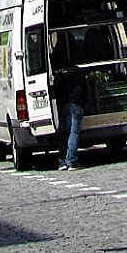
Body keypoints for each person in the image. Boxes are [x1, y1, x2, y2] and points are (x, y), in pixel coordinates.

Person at [51, 42, 86, 170]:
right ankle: (71, 160)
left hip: (63, 102)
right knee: (73, 132)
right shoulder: (77, 69)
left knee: (63, 132)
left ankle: (62, 161)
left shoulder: (59, 71)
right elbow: (82, 87)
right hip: (75, 102)